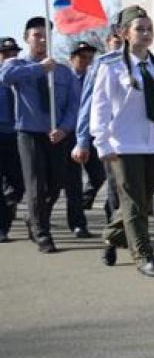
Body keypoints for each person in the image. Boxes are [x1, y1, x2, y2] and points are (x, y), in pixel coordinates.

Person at [90, 6, 154, 277]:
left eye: (149, 29)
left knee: (144, 198)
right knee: (133, 201)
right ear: (124, 33)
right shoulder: (110, 65)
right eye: (139, 29)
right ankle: (143, 254)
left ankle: (111, 234)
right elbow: (99, 106)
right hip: (124, 143)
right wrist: (102, 142)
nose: (146, 34)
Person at [0, 17, 78, 253]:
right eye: (37, 35)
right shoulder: (16, 65)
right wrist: (40, 68)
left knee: (55, 185)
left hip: (57, 135)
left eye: (47, 35)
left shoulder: (63, 72)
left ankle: (34, 217)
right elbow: (5, 78)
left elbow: (74, 105)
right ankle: (43, 233)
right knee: (35, 184)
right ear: (27, 38)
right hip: (29, 133)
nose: (43, 40)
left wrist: (64, 128)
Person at [72, 26, 126, 264]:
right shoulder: (100, 67)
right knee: (116, 192)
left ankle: (123, 233)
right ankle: (112, 240)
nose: (117, 43)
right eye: (114, 39)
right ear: (108, 41)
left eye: (120, 39)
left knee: (138, 195)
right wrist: (82, 140)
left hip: (142, 142)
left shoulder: (144, 63)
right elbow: (87, 106)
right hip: (112, 140)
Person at [63, 40, 98, 239]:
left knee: (98, 175)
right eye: (81, 57)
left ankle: (85, 200)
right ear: (71, 59)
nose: (86, 61)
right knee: (73, 183)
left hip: (90, 136)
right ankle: (78, 224)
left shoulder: (93, 79)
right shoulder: (63, 79)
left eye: (89, 57)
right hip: (69, 137)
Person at [0, 37, 26, 242]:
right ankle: (2, 228)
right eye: (5, 54)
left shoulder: (21, 75)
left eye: (13, 53)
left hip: (16, 135)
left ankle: (10, 203)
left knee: (18, 183)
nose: (10, 57)